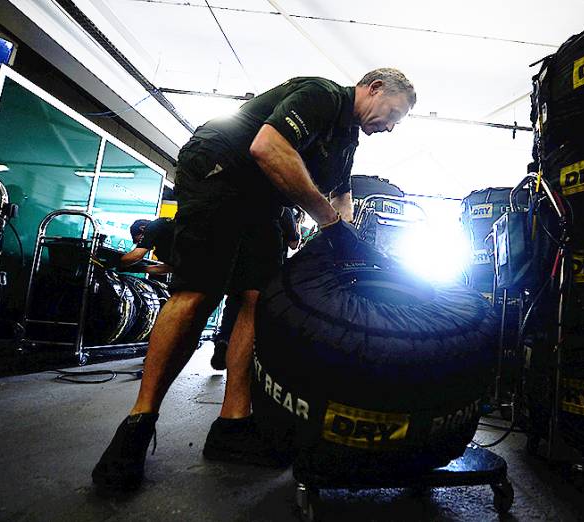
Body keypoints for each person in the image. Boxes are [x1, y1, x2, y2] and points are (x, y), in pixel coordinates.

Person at [92, 68, 416, 492]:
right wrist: (329, 223)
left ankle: (232, 424)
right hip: (220, 170)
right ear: (374, 88)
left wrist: (352, 245)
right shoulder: (321, 95)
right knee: (199, 292)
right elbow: (269, 146)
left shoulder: (346, 138)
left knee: (258, 297)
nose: (390, 127)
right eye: (392, 113)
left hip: (262, 200)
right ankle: (138, 422)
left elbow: (341, 197)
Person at [210, 206, 301, 371]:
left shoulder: (242, 202)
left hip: (238, 265)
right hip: (266, 268)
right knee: (253, 312)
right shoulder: (283, 210)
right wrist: (297, 226)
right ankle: (246, 358)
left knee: (232, 305)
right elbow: (294, 243)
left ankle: (224, 340)